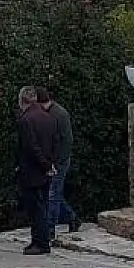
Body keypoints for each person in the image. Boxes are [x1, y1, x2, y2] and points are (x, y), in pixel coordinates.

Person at [15, 86, 58, 256]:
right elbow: (56, 143)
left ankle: (40, 242)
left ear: (22, 100)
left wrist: (45, 165)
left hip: (32, 170)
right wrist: (51, 164)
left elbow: (31, 147)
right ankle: (40, 240)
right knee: (44, 205)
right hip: (46, 170)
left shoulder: (26, 120)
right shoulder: (49, 117)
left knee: (35, 208)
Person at [36, 86, 81, 240]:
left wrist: (56, 162)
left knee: (53, 193)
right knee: (53, 193)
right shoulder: (49, 113)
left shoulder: (60, 114)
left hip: (59, 161)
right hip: (51, 161)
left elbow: (66, 141)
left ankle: (50, 229)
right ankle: (71, 217)